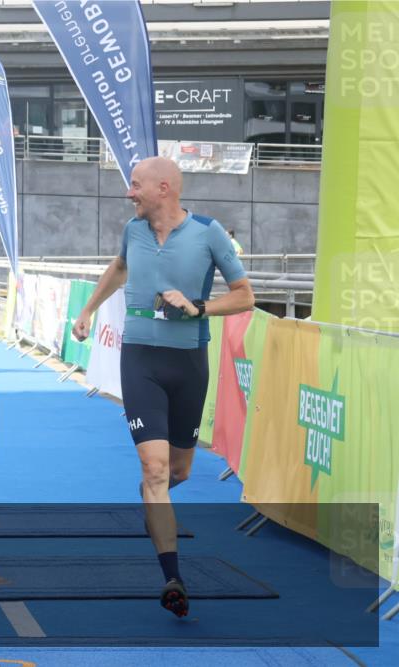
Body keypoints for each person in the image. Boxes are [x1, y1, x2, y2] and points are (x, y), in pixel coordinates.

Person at [71, 157, 254, 618]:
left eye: (135, 185)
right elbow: (118, 267)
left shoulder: (209, 232)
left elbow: (245, 296)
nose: (129, 193)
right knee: (154, 471)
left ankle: (155, 500)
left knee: (178, 473)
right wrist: (88, 311)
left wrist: (198, 307)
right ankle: (173, 577)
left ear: (164, 188)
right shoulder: (132, 231)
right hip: (140, 360)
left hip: (188, 363)